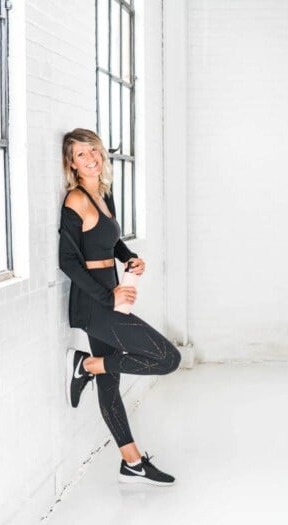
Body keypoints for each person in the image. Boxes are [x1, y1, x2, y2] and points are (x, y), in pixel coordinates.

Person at [59, 128, 181, 486]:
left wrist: (131, 258)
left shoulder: (103, 195)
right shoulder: (75, 201)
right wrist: (107, 298)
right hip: (94, 302)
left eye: (93, 150)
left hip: (111, 292)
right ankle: (86, 363)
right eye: (81, 154)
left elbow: (111, 243)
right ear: (72, 163)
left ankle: (132, 463)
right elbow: (68, 261)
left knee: (109, 385)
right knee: (167, 358)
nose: (91, 158)